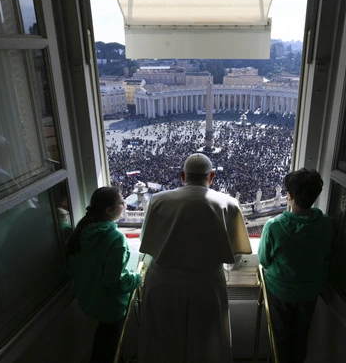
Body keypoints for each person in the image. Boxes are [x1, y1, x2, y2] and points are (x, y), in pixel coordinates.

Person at [138, 153, 252, 363]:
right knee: (206, 347)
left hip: (163, 284)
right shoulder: (228, 203)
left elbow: (147, 243)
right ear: (212, 177)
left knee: (163, 344)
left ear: (182, 175)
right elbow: (234, 260)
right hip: (206, 285)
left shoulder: (158, 200)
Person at [258, 168, 333, 362]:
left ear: (289, 195)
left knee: (280, 337)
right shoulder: (325, 224)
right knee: (301, 337)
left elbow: (264, 260)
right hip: (310, 292)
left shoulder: (274, 226)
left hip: (280, 291)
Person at [66, 187, 141, 363]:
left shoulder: (83, 231)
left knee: (104, 340)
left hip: (88, 298)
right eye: (122, 202)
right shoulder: (115, 237)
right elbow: (114, 280)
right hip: (110, 306)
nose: (125, 204)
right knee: (109, 349)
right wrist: (136, 279)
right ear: (109, 211)